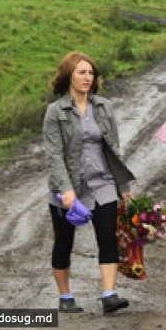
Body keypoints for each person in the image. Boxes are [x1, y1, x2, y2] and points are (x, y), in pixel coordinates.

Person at [43, 51, 135, 314]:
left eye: (90, 73)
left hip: (103, 183)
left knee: (108, 239)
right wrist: (66, 189)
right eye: (81, 72)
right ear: (68, 75)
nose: (87, 77)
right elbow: (54, 154)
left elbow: (114, 149)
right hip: (68, 188)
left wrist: (123, 188)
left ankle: (109, 295)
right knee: (64, 243)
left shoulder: (104, 107)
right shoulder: (55, 112)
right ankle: (65, 296)